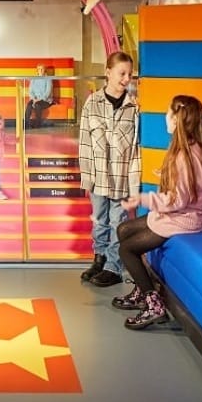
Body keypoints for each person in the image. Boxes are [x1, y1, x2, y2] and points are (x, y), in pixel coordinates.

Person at [114, 95, 202, 330]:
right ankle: (142, 290)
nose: (165, 116)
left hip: (184, 219)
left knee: (126, 249)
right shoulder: (190, 149)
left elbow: (177, 200)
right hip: (182, 214)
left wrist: (143, 199)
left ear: (176, 119)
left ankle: (154, 306)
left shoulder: (185, 156)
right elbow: (185, 188)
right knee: (124, 229)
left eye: (168, 112)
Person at [78, 51, 140, 288]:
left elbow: (135, 149)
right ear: (108, 72)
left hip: (121, 177)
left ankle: (113, 267)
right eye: (122, 73)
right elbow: (84, 142)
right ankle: (100, 259)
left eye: (129, 74)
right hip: (98, 176)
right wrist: (87, 177)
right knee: (99, 221)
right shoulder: (92, 103)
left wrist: (134, 183)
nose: (126, 79)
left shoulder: (134, 107)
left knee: (117, 222)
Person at [24, 64, 54, 129]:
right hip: (35, 99)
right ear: (37, 70)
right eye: (39, 69)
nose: (40, 70)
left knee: (37, 105)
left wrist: (39, 99)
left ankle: (37, 124)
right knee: (29, 105)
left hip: (45, 100)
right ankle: (26, 124)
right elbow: (30, 91)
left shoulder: (48, 79)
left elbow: (48, 92)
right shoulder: (33, 79)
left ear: (44, 70)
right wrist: (33, 98)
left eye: (42, 69)